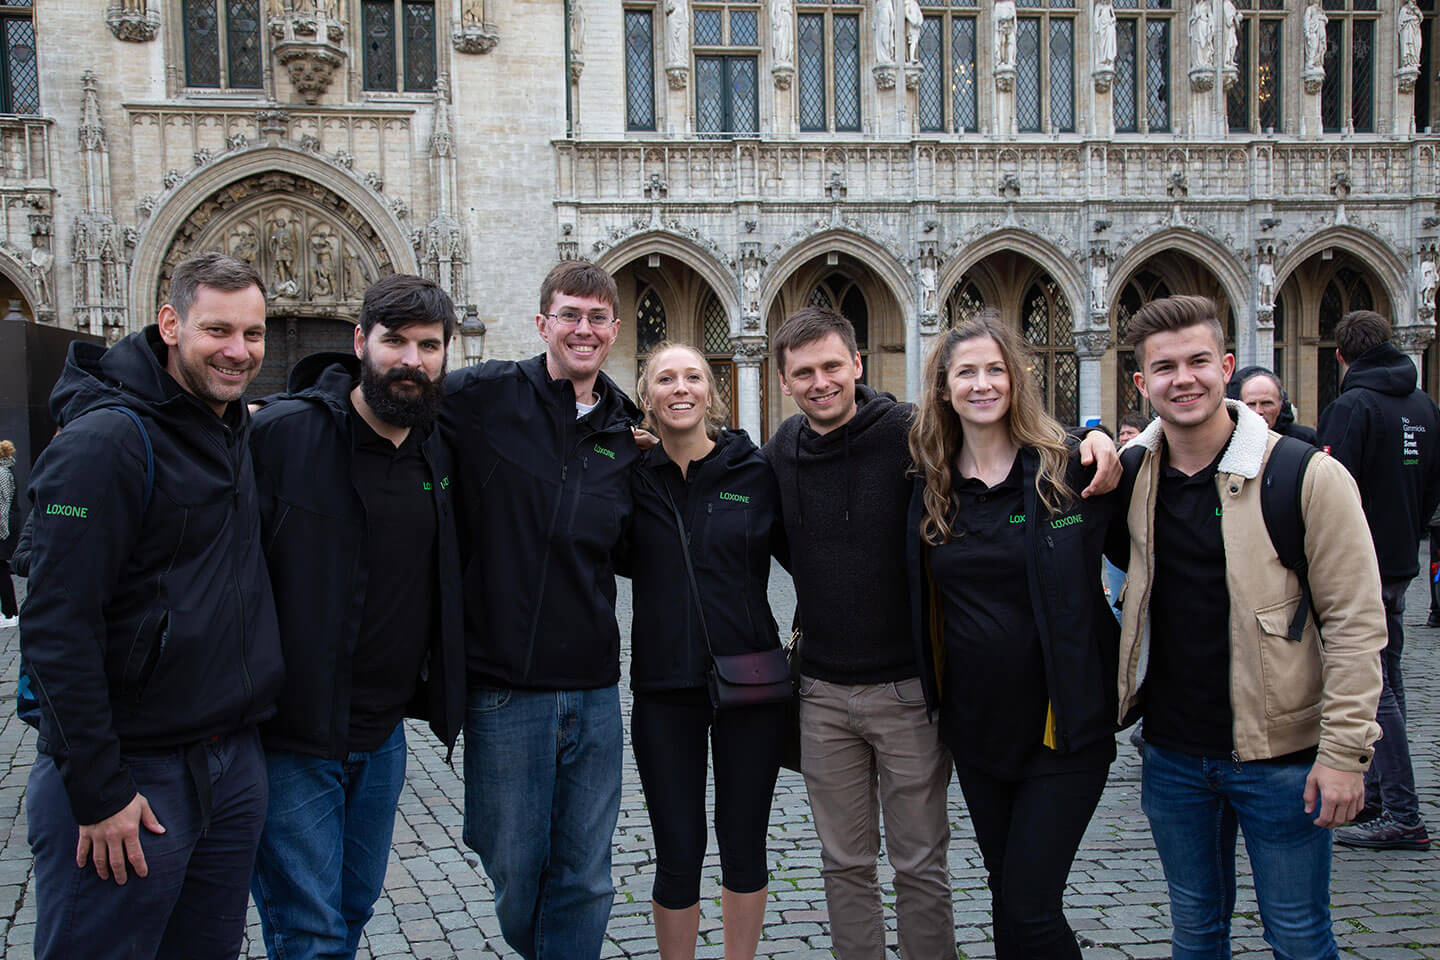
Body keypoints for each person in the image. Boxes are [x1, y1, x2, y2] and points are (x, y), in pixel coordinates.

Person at [761, 306, 1121, 958]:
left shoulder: (911, 437)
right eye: (804, 372)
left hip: (915, 692)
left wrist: (1092, 434)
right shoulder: (783, 451)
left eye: (832, 366)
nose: (821, 381)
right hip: (835, 693)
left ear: (858, 365)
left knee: (929, 865)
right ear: (783, 379)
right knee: (847, 864)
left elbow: (1011, 430)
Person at [20, 252, 283, 959]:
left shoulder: (229, 428)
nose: (239, 351)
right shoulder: (107, 439)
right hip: (135, 776)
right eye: (217, 330)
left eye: (253, 334)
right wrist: (99, 789)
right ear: (170, 323)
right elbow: (54, 626)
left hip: (228, 767)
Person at [1118, 295, 1385, 959]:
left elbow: (1356, 624)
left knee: (1297, 938)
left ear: (1227, 367)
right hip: (1173, 756)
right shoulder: (1132, 477)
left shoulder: (1307, 476)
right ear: (1140, 382)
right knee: (1195, 935)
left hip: (1283, 761)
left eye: (1199, 361)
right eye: (1165, 366)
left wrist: (1344, 755)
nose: (1184, 378)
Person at [247, 274, 466, 958]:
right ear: (359, 342)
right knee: (306, 930)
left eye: (428, 345)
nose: (411, 359)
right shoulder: (282, 435)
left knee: (350, 910)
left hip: (381, 736)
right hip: (292, 735)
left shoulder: (437, 450)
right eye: (394, 340)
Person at [439, 260, 641, 960]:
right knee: (514, 864)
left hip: (591, 688)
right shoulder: (485, 394)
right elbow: (391, 399)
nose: (583, 330)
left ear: (614, 330)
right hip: (504, 689)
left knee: (585, 874)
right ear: (543, 323)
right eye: (569, 316)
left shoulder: (624, 430)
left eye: (596, 319)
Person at [907, 313, 1121, 958]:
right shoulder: (927, 486)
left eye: (995, 369)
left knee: (1030, 908)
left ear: (1018, 377)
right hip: (978, 731)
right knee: (1007, 894)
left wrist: (1105, 435)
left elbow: (1175, 466)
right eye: (965, 372)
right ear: (943, 389)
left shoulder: (1070, 471)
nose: (982, 384)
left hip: (1064, 729)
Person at [622, 341, 788, 960]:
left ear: (711, 391)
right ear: (648, 397)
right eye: (665, 379)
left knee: (744, 842)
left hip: (750, 687)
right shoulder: (629, 478)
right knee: (677, 850)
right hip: (664, 690)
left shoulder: (756, 473)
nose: (681, 388)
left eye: (693, 376)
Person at [1317, 310, 1438, 851]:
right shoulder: (1424, 406)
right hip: (1402, 559)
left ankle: (1403, 813)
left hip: (1358, 564)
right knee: (1389, 677)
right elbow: (1433, 490)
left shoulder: (1353, 406)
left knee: (1374, 685)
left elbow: (1326, 494)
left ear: (1341, 356)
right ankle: (1382, 793)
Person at [1230, 366, 1318, 445]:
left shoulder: (1305, 439)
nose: (1258, 411)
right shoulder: (1227, 441)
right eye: (1251, 404)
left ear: (1281, 404)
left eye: (1266, 403)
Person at [0, 439, 17, 623]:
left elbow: (4, 503)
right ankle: (8, 611)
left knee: (1, 569)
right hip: (4, 526)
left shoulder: (2, 473)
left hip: (2, 527)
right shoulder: (4, 471)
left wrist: (2, 530)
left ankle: (9, 612)